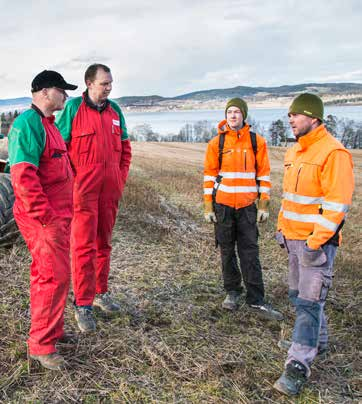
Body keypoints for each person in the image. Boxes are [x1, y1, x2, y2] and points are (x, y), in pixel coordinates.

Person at [273, 93, 354, 396]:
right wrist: (282, 229)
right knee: (299, 297)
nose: (290, 119)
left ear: (314, 118)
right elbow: (290, 198)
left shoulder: (334, 154)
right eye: (289, 114)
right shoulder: (295, 151)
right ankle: (315, 341)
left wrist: (313, 244)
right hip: (293, 240)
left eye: (295, 114)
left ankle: (298, 365)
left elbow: (336, 206)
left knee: (308, 303)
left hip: (315, 246)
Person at [7, 70, 78, 370]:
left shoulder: (48, 124)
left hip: (57, 218)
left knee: (55, 275)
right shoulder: (27, 124)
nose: (66, 96)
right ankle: (42, 346)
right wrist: (46, 217)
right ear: (47, 91)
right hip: (43, 220)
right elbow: (23, 177)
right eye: (63, 90)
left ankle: (52, 331)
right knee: (52, 277)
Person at [56, 64, 132, 333]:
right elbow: (60, 149)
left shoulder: (115, 111)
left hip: (109, 193)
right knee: (83, 247)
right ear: (89, 83)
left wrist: (119, 180)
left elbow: (125, 150)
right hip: (83, 194)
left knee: (104, 244)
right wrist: (72, 185)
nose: (109, 87)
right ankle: (83, 303)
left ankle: (101, 293)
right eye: (104, 83)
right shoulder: (73, 109)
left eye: (111, 83)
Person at [203, 98, 283, 320]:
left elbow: (264, 175)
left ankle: (256, 299)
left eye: (237, 112)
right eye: (229, 112)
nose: (233, 115)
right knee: (227, 251)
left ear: (244, 115)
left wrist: (264, 204)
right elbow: (209, 177)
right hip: (223, 207)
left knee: (250, 252)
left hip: (248, 207)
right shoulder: (215, 144)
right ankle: (232, 292)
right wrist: (208, 205)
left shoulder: (257, 142)